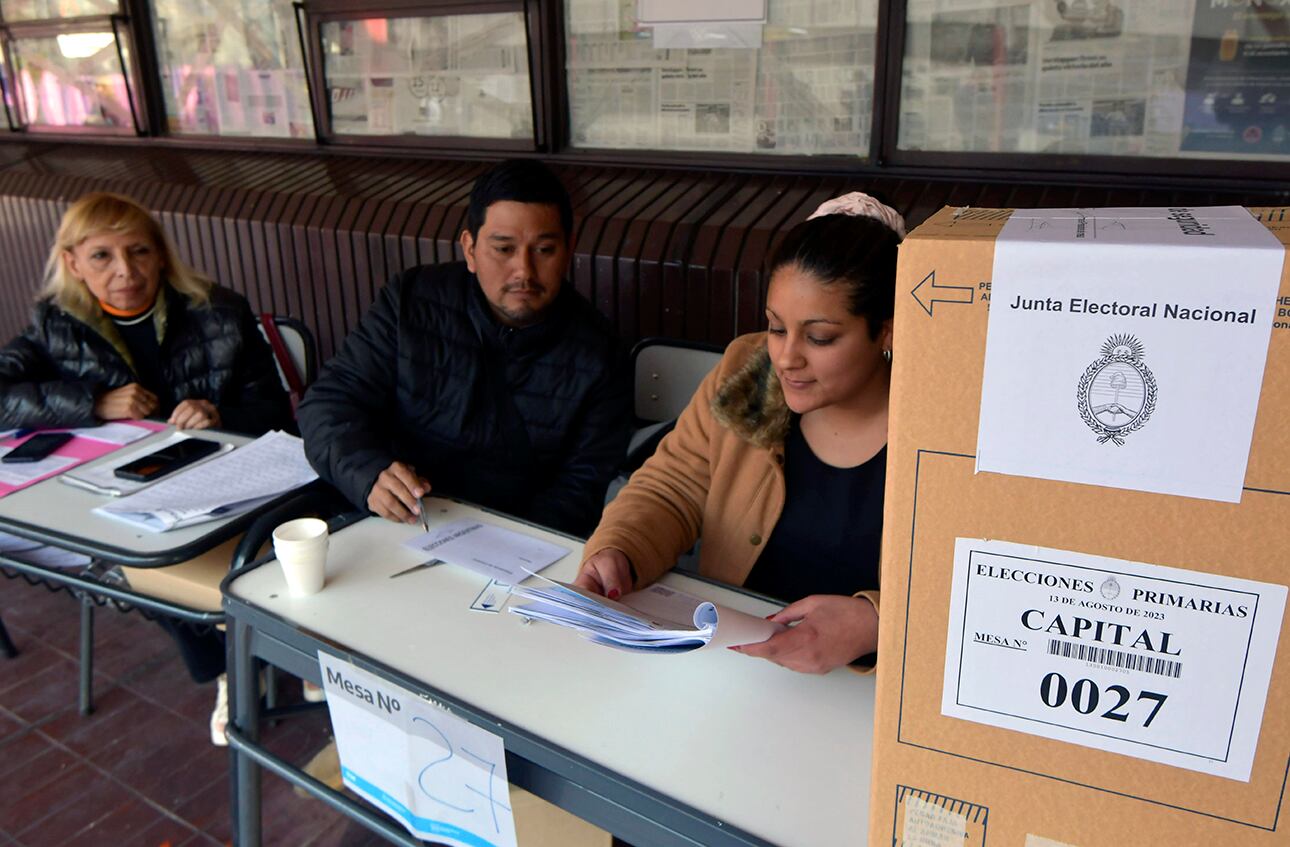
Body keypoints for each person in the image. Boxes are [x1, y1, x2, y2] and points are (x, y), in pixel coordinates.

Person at [0, 191, 294, 744]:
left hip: (228, 482)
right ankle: (230, 667)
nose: (125, 271)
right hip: (123, 490)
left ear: (161, 254)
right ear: (72, 263)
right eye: (102, 257)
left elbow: (276, 417)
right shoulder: (56, 323)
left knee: (144, 560)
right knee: (130, 554)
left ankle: (251, 656)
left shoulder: (218, 312)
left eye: (138, 251)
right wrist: (90, 401)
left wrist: (218, 413)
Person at [574, 192, 904, 674]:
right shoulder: (748, 373)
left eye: (820, 337)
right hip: (735, 669)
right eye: (775, 327)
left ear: (888, 332)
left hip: (869, 699)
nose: (787, 357)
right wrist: (619, 549)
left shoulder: (941, 429)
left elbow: (976, 584)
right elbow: (674, 487)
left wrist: (878, 622)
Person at [298, 159, 631, 537]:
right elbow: (329, 403)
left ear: (569, 250)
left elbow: (581, 489)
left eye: (544, 250)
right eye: (503, 249)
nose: (524, 271)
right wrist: (367, 471)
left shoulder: (600, 354)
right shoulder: (412, 302)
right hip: (395, 523)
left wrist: (510, 546)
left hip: (514, 547)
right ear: (470, 249)